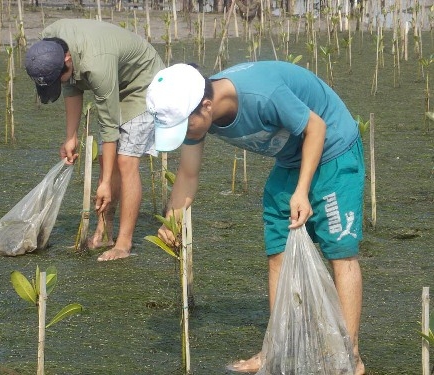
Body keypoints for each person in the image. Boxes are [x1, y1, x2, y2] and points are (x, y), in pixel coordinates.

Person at [146, 62, 365, 374]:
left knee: (340, 253)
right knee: (277, 253)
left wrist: (302, 191)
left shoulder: (262, 93)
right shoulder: (195, 115)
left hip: (332, 149)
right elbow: (188, 174)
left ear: (206, 107)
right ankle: (275, 351)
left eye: (184, 127)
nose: (185, 135)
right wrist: (173, 220)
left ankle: (350, 356)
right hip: (291, 159)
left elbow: (316, 128)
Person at [25, 19, 165, 261]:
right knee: (105, 161)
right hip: (114, 77)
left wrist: (106, 183)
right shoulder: (50, 41)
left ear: (67, 60)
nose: (62, 81)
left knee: (126, 161)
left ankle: (123, 244)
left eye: (60, 76)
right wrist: (71, 137)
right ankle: (104, 233)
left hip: (142, 82)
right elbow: (71, 86)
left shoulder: (96, 66)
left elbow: (108, 128)